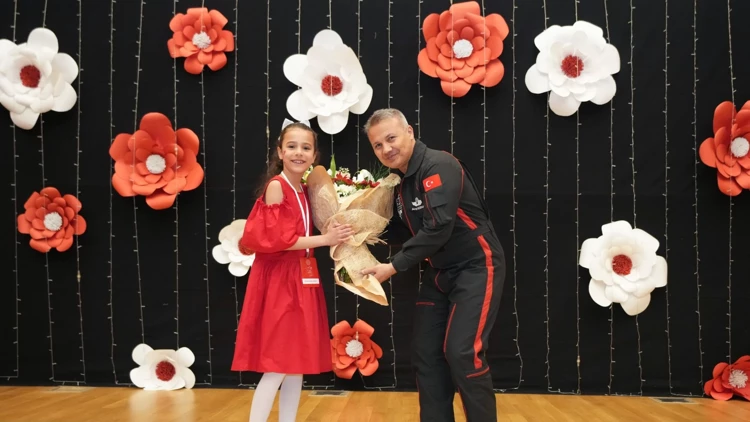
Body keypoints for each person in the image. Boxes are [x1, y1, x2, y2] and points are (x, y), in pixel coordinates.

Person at [361, 109, 506, 422]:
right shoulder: (401, 184)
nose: (386, 148)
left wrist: (392, 267)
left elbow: (439, 227)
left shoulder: (438, 164)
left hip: (476, 267)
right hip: (439, 272)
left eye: (391, 138)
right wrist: (358, 231)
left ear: (410, 132)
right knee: (426, 354)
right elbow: (406, 230)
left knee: (462, 353)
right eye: (378, 145)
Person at [232, 119, 354, 422]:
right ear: (280, 152)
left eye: (306, 147)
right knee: (277, 364)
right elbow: (280, 241)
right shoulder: (277, 186)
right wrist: (326, 239)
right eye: (292, 146)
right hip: (280, 279)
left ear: (314, 155)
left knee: (295, 364)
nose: (299, 152)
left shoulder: (303, 189)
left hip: (300, 276)